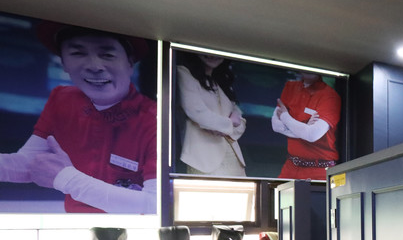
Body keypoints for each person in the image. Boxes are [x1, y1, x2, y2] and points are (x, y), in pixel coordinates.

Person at [0, 21, 156, 213]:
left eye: (107, 55)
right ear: (63, 63)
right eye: (77, 53)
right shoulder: (62, 99)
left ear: (130, 62)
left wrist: (66, 178)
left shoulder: (155, 120)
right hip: (73, 226)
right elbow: (31, 164)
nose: (94, 66)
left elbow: (156, 204)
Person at [175, 51, 246, 175]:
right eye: (207, 52)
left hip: (233, 158)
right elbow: (197, 112)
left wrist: (226, 125)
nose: (213, 55)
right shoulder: (184, 73)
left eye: (219, 52)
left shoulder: (220, 81)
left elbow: (240, 121)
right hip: (204, 159)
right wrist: (229, 123)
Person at [271, 71, 341, 180]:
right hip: (291, 166)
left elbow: (312, 135)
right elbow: (276, 126)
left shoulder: (330, 96)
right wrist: (304, 127)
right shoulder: (290, 87)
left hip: (320, 170)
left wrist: (285, 117)